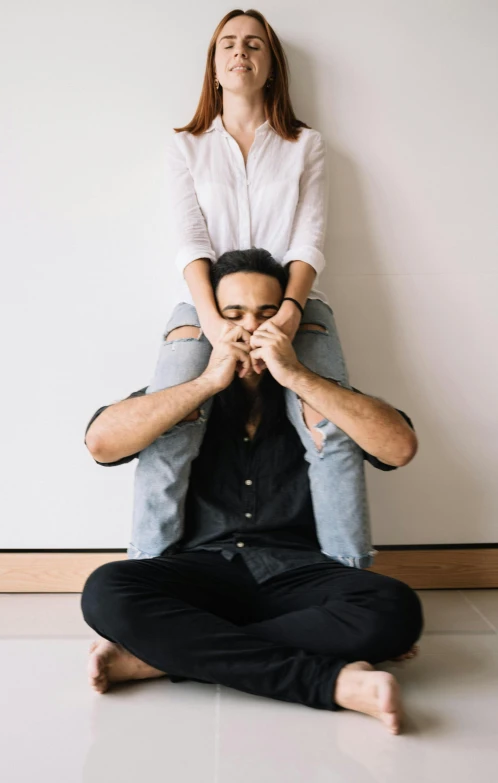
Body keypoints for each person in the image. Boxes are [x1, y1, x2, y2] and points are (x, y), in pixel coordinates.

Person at [81, 249, 423, 735]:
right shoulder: (180, 392)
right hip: (201, 571)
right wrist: (207, 381)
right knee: (106, 592)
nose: (250, 328)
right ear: (211, 320)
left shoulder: (318, 395)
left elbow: (400, 447)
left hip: (301, 575)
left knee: (396, 609)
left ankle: (157, 658)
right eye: (233, 314)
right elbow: (100, 443)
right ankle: (329, 682)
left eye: (266, 314)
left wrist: (296, 375)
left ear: (288, 318)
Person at [153, 9, 375, 569]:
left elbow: (309, 240)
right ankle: (144, 580)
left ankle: (353, 581)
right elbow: (189, 242)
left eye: (254, 44)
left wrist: (292, 310)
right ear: (214, 64)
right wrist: (211, 320)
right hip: (205, 301)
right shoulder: (186, 146)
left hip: (293, 300)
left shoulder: (306, 145)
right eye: (228, 43)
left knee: (334, 428)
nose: (240, 52)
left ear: (271, 65)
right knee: (167, 429)